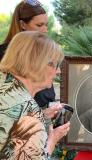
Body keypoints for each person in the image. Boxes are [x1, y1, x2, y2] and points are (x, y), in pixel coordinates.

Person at [0, 31, 70, 159]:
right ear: (37, 63)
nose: (58, 71)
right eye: (55, 65)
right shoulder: (30, 118)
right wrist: (52, 139)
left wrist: (43, 115)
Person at [0, 0, 55, 108]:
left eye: (46, 25)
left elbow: (48, 95)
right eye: (39, 25)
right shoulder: (3, 54)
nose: (45, 30)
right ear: (22, 24)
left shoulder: (44, 53)